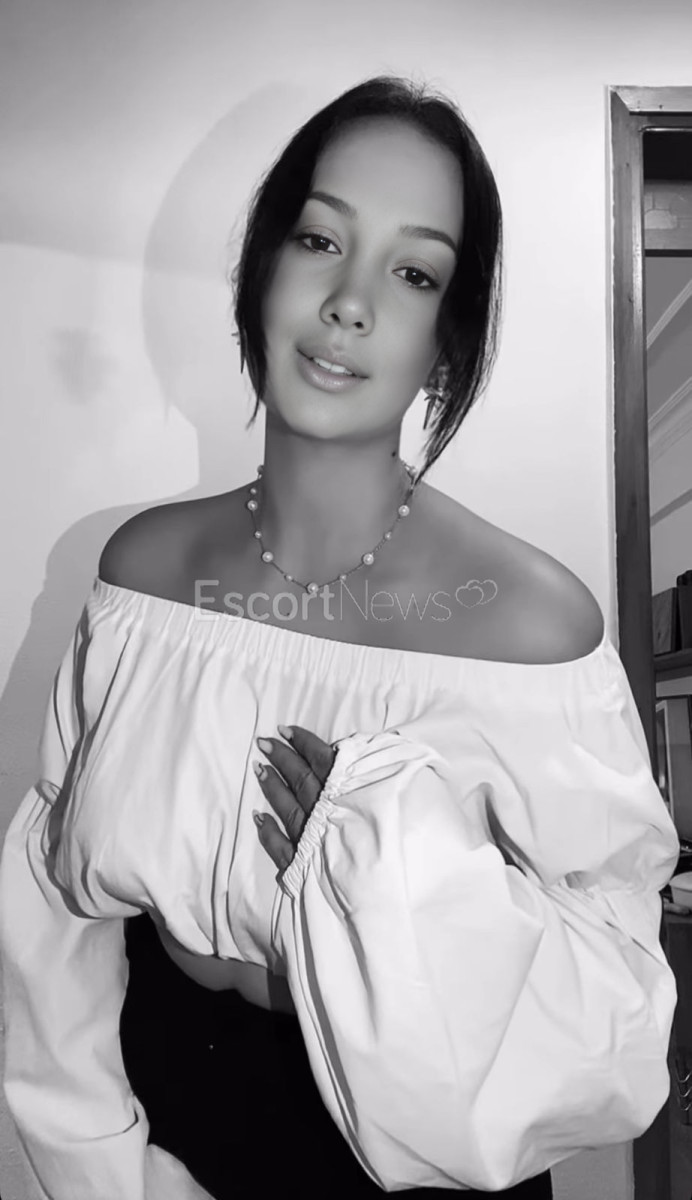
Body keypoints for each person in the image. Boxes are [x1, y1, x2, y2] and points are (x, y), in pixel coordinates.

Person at [0, 75, 680, 1200]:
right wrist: (101, 1161)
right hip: (167, 1114)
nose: (350, 302)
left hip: (427, 1154)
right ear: (261, 269)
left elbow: (613, 992)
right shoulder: (142, 578)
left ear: (447, 339)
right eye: (320, 240)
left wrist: (390, 859)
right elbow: (54, 909)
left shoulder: (530, 627)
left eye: (413, 273)